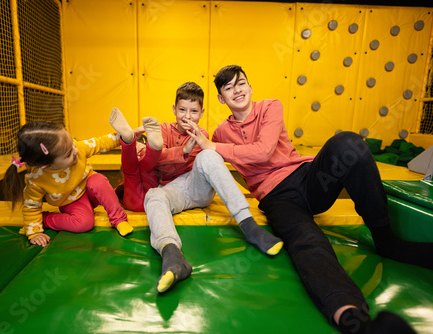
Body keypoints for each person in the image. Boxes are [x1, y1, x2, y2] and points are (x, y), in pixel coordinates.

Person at [186, 64, 433, 333]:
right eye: (229, 87)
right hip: (276, 196)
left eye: (241, 83)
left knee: (348, 143)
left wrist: (213, 146)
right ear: (221, 98)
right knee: (306, 241)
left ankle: (387, 242)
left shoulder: (270, 107)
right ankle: (352, 317)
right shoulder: (220, 133)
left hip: (308, 178)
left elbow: (264, 151)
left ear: (250, 87)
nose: (237, 89)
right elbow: (198, 159)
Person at [142, 81, 283, 294]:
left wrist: (197, 145)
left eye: (193, 111)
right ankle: (172, 256)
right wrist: (184, 150)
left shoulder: (203, 134)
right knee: (153, 196)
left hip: (196, 188)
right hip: (173, 190)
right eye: (182, 110)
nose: (187, 116)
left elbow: (207, 168)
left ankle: (250, 226)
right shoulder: (163, 130)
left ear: (201, 113)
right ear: (174, 109)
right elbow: (154, 160)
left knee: (209, 154)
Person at [4, 121, 133, 247]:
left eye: (72, 144)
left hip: (90, 187)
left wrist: (126, 136)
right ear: (47, 166)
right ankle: (45, 219)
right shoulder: (36, 179)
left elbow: (101, 142)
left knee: (98, 180)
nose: (75, 151)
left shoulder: (76, 148)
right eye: (68, 154)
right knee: (84, 224)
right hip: (72, 202)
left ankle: (119, 219)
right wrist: (34, 231)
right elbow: (31, 207)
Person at [109, 108, 163, 212]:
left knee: (134, 171)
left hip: (135, 202)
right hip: (151, 200)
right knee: (143, 168)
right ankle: (136, 145)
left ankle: (128, 142)